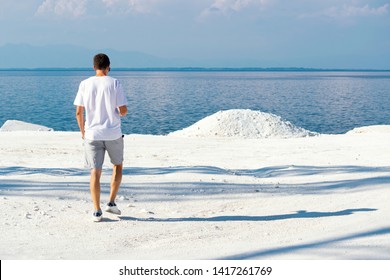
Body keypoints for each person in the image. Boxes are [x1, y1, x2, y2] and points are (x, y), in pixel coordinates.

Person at [74, 53, 128, 222]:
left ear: (94, 67)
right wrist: (118, 113)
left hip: (92, 134)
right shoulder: (114, 83)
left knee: (95, 172)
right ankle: (111, 202)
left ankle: (97, 211)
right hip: (113, 133)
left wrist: (83, 132)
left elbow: (78, 112)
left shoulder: (84, 84)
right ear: (108, 67)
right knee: (117, 166)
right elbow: (123, 110)